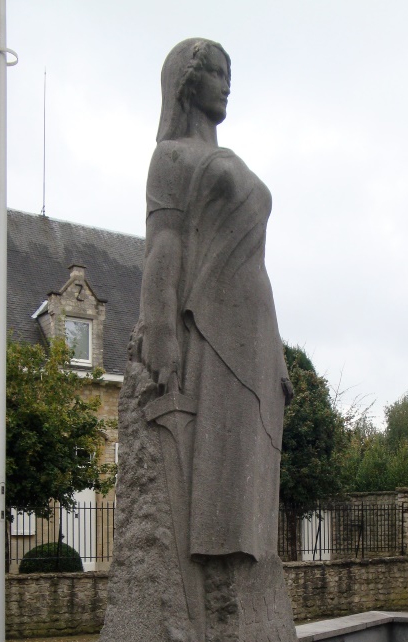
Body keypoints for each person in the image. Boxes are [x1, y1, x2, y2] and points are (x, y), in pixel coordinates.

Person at [135, 38, 292, 563]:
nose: (227, 83)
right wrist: (159, 330)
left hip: (256, 321)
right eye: (218, 72)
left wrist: (278, 350)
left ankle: (246, 616)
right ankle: (217, 610)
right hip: (209, 324)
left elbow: (259, 262)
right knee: (221, 472)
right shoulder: (172, 156)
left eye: (231, 74)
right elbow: (165, 242)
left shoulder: (232, 159)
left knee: (254, 468)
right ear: (187, 80)